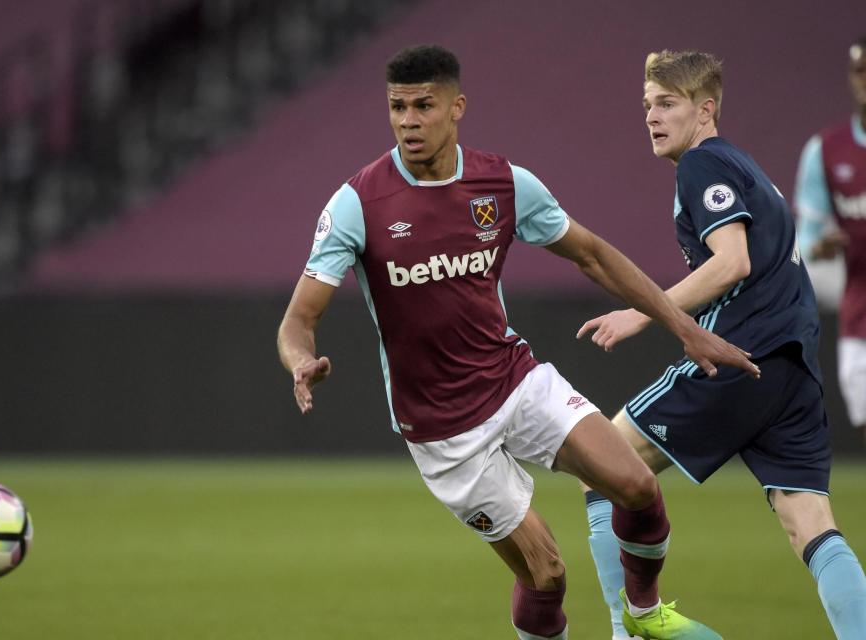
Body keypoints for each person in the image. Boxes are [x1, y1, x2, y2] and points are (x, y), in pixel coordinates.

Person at [278, 44, 759, 640]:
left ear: (457, 107)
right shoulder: (359, 203)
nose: (408, 121)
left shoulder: (503, 183)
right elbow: (299, 319)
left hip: (515, 378)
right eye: (397, 107)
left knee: (637, 484)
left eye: (423, 106)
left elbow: (593, 255)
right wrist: (301, 360)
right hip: (444, 428)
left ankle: (642, 616)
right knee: (547, 576)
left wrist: (686, 330)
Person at [576, 49, 866, 639]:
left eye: (667, 103)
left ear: (705, 110)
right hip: (791, 368)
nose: (652, 117)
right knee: (809, 522)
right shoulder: (746, 167)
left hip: (740, 355)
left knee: (597, 463)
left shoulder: (703, 165)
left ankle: (625, 626)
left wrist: (641, 312)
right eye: (646, 105)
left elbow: (732, 262)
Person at [794, 36, 866, 445]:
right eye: (859, 71)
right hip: (859, 312)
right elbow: (808, 234)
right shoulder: (827, 150)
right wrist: (818, 247)